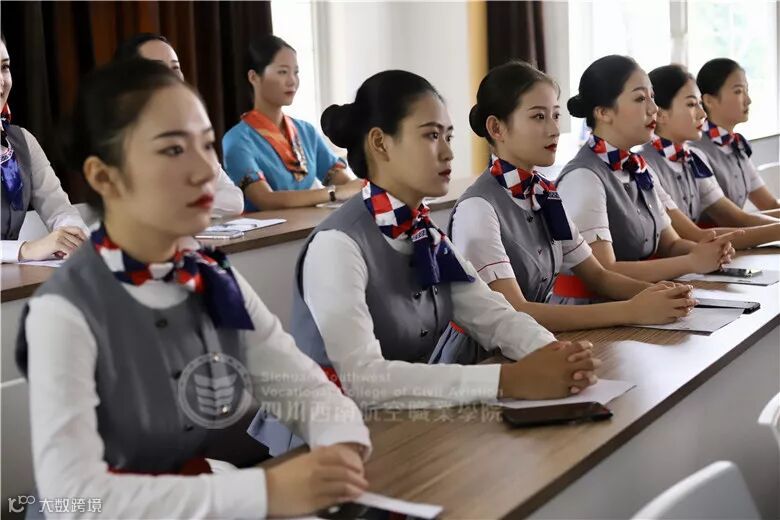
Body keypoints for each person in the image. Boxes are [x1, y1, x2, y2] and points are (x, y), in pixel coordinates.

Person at [16, 59, 371, 518]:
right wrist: (265, 491)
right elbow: (73, 498)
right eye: (172, 149)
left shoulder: (210, 276)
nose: (205, 169)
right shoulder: (64, 311)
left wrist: (341, 442)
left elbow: (299, 385)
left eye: (206, 144)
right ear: (104, 176)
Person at [451, 60, 694, 330]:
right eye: (538, 117)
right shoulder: (478, 208)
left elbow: (598, 275)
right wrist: (631, 310)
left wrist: (662, 294)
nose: (554, 129)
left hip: (538, 341)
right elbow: (515, 312)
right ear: (496, 128)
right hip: (486, 352)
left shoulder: (544, 195)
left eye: (556, 116)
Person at [553, 55, 740, 304]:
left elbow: (670, 244)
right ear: (603, 112)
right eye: (641, 99)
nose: (654, 109)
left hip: (643, 300)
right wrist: (692, 261)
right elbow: (604, 271)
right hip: (593, 312)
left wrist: (707, 252)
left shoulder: (638, 168)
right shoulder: (583, 177)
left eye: (652, 97)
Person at [639, 64, 780, 248]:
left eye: (699, 104)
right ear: (660, 114)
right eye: (691, 104)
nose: (702, 113)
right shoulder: (642, 165)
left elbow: (737, 217)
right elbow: (696, 235)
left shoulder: (694, 157)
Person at [222, 35, 363, 211]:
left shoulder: (306, 132)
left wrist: (354, 187)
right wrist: (334, 193)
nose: (292, 81)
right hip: (269, 229)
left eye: (296, 72)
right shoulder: (237, 140)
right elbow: (264, 199)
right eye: (282, 72)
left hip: (311, 224)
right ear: (254, 77)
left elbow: (345, 184)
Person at [114, 32, 244, 217]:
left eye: (175, 68)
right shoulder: (116, 139)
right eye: (158, 68)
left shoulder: (190, 133)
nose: (171, 77)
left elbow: (234, 199)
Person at [1, 35, 88, 263]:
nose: (1, 81)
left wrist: (74, 238)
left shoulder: (22, 140)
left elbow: (59, 208)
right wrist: (26, 249)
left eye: (4, 68)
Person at [691, 58, 780, 215]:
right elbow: (738, 220)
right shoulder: (694, 150)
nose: (748, 100)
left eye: (747, 90)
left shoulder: (736, 145)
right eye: (738, 91)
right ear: (709, 100)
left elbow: (770, 205)